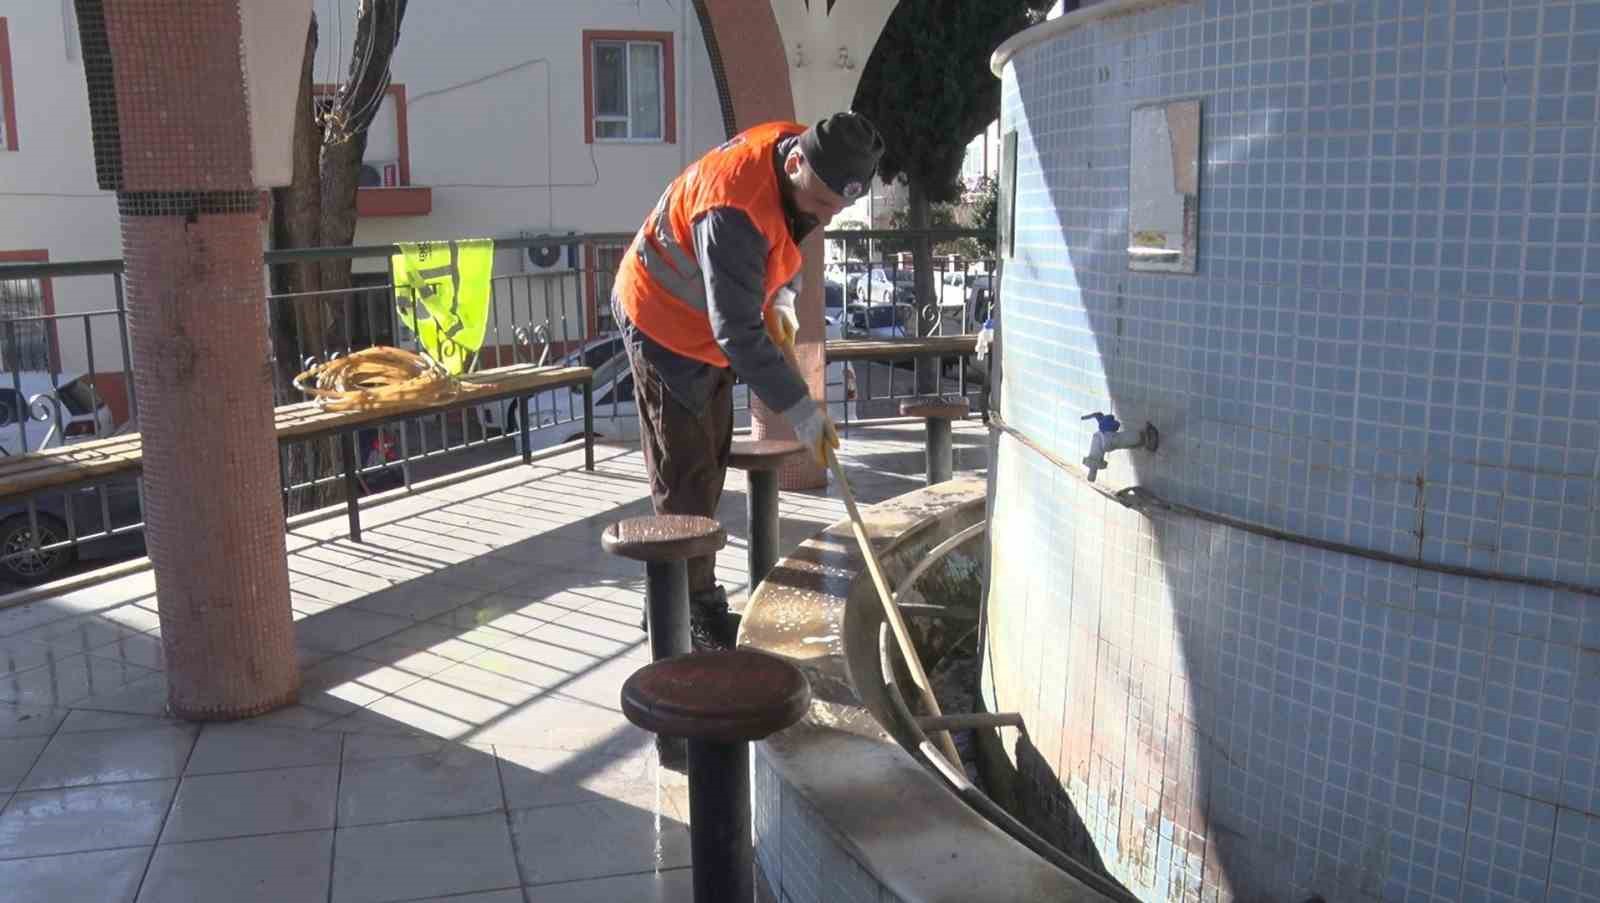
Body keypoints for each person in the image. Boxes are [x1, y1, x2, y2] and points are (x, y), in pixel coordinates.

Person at [611, 112, 885, 650]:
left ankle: (684, 597)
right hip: (661, 317)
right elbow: (736, 332)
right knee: (687, 470)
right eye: (826, 204)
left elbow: (787, 234)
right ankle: (681, 613)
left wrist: (780, 295)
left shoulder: (796, 155)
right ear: (796, 162)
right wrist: (803, 411)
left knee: (707, 456)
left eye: (841, 207)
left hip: (703, 322)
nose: (828, 219)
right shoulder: (732, 206)